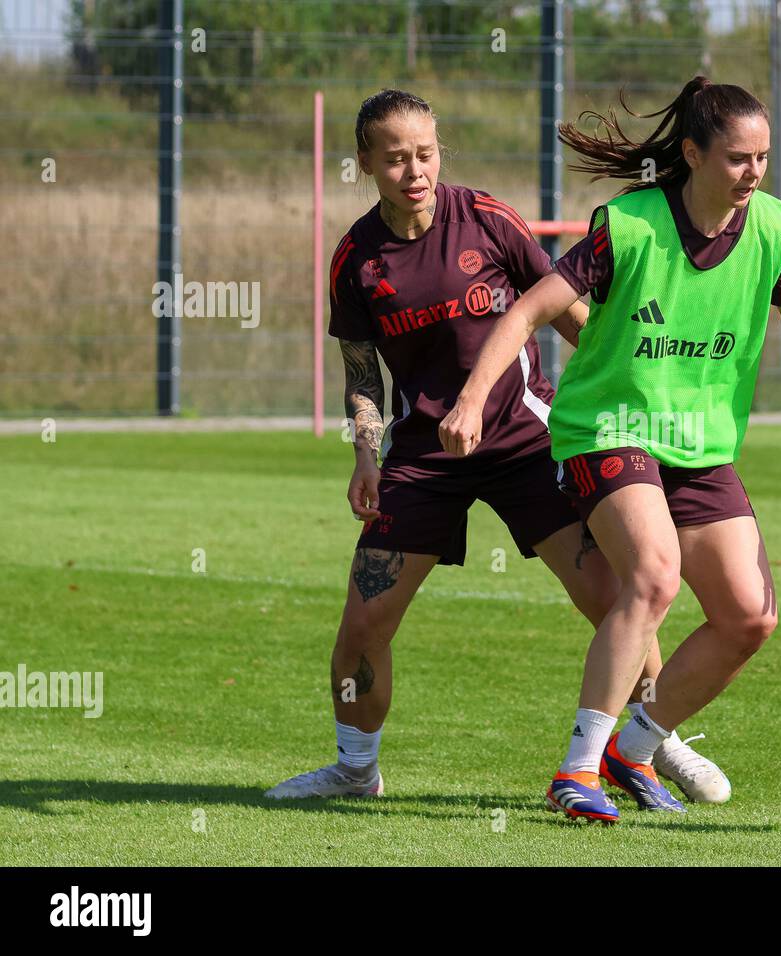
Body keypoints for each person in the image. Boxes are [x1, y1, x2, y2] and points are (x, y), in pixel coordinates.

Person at [440, 76, 781, 823]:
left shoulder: (773, 230)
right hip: (607, 428)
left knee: (749, 617)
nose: (754, 172)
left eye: (762, 158)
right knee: (656, 578)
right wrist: (472, 398)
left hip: (700, 446)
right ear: (693, 153)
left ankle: (632, 749)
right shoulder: (628, 225)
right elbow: (530, 308)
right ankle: (576, 772)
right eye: (737, 158)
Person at [265, 89, 727, 806]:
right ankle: (356, 771)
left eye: (424, 153)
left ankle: (650, 745)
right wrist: (365, 453)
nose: (413, 170)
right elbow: (363, 376)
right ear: (363, 164)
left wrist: (629, 405)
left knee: (620, 595)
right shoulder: (356, 260)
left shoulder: (486, 218)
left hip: (528, 440)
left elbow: (570, 311)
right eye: (393, 159)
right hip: (423, 456)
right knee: (363, 625)